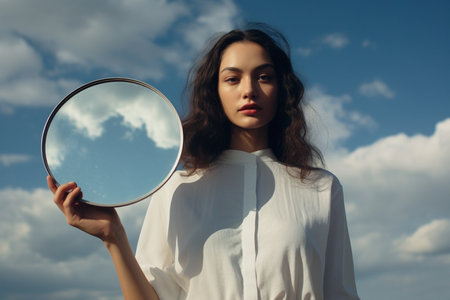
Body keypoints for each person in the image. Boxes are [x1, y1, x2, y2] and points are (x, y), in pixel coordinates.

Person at [47, 24, 359, 300]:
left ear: (282, 89)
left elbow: (340, 294)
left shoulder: (321, 188)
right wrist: (112, 236)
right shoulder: (176, 189)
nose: (249, 90)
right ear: (215, 91)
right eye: (233, 79)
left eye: (264, 77)